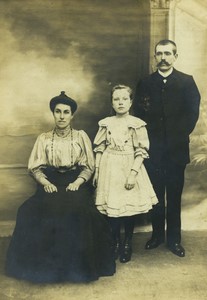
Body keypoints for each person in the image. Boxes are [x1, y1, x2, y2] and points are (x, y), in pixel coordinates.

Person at [5, 91, 115, 283]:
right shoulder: (44, 138)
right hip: (50, 180)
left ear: (72, 115)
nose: (62, 116)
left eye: (66, 112)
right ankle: (43, 269)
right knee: (29, 210)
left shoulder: (81, 137)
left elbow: (88, 166)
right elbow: (35, 167)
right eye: (58, 112)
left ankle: (77, 269)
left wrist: (78, 182)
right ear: (53, 114)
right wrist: (46, 183)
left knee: (79, 211)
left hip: (76, 180)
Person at [134, 40, 200, 257]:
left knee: (173, 196)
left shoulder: (186, 82)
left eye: (167, 53)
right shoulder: (145, 83)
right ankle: (156, 236)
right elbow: (139, 116)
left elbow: (192, 114)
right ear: (155, 57)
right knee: (155, 196)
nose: (163, 58)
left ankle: (174, 240)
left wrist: (176, 136)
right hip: (153, 151)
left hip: (176, 150)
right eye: (159, 54)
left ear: (175, 56)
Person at [93, 84, 158, 263]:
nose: (120, 102)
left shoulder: (136, 124)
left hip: (129, 166)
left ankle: (127, 243)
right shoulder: (106, 123)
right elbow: (99, 148)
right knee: (112, 209)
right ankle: (114, 243)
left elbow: (141, 151)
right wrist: (97, 170)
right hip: (109, 168)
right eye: (116, 99)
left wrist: (132, 174)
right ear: (112, 103)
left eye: (124, 99)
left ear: (130, 102)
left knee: (128, 209)